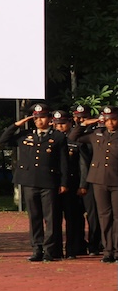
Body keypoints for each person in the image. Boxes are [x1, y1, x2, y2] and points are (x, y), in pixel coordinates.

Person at [0, 103, 68, 262]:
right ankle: (37, 249)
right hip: (29, 181)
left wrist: (63, 182)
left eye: (42, 117)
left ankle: (50, 250)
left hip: (49, 181)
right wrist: (17, 124)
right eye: (36, 118)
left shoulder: (58, 137)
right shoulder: (25, 135)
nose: (39, 121)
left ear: (49, 119)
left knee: (50, 218)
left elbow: (63, 162)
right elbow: (3, 140)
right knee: (34, 217)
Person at [68, 105, 118, 263]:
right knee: (104, 216)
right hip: (98, 180)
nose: (110, 123)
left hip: (116, 180)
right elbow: (73, 137)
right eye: (107, 120)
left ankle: (117, 250)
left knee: (117, 217)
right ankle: (108, 251)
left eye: (113, 120)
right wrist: (84, 124)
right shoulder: (97, 134)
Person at [52, 110, 87, 259]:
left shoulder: (75, 141)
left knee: (73, 218)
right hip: (54, 185)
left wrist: (83, 184)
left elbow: (83, 166)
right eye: (57, 124)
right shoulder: (49, 141)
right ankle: (55, 250)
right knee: (54, 219)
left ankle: (72, 249)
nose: (60, 127)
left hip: (72, 185)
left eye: (63, 124)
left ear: (70, 123)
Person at [72, 104, 103, 256]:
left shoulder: (97, 132)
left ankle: (94, 245)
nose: (80, 119)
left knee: (93, 216)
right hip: (73, 180)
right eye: (77, 117)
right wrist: (82, 125)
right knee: (75, 216)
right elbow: (72, 139)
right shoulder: (73, 131)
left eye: (83, 117)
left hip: (91, 179)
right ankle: (79, 245)